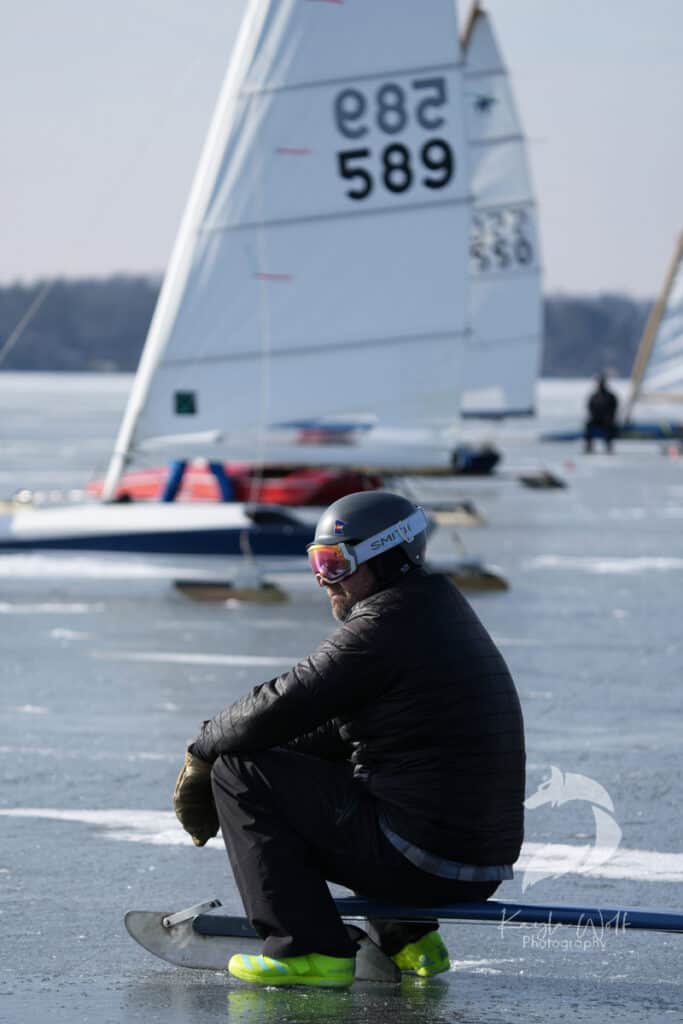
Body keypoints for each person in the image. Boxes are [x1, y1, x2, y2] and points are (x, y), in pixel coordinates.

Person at [173, 491, 526, 989]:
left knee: (239, 771)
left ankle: (306, 952)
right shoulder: (435, 610)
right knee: (331, 761)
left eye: (334, 563)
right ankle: (411, 940)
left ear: (386, 558)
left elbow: (282, 702)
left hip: (424, 861)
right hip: (472, 862)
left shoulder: (382, 626)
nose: (322, 579)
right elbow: (332, 727)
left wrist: (203, 749)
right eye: (316, 562)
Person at [584, 373, 619, 453]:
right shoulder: (594, 396)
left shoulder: (610, 396)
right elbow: (590, 408)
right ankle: (589, 447)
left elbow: (614, 409)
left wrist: (609, 417)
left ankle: (609, 447)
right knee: (588, 425)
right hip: (596, 419)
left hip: (608, 420)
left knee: (609, 427)